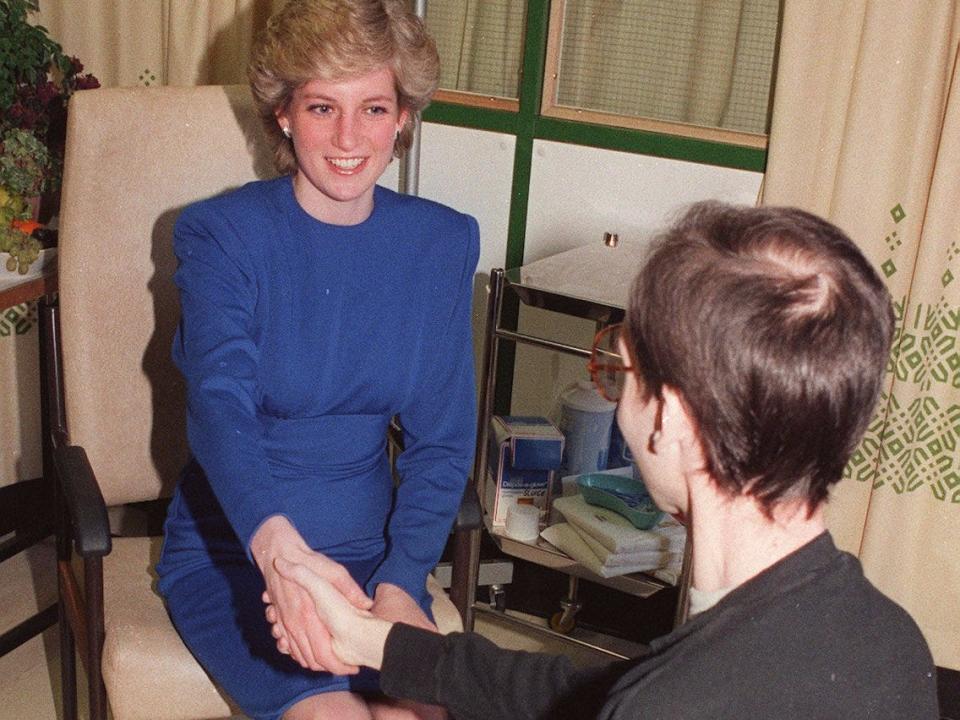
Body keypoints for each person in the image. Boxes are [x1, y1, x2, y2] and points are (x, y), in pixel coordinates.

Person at [272, 202, 940, 719]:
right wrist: (376, 645)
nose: (616, 393)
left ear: (670, 419)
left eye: (623, 372)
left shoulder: (671, 705)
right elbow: (596, 690)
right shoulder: (892, 643)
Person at [155, 1, 478, 718]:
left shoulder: (440, 243)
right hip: (242, 553)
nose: (347, 137)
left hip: (375, 554)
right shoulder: (222, 236)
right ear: (282, 115)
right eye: (322, 106)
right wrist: (282, 560)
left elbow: (443, 440)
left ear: (403, 119)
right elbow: (219, 411)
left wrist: (401, 579)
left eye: (373, 109)